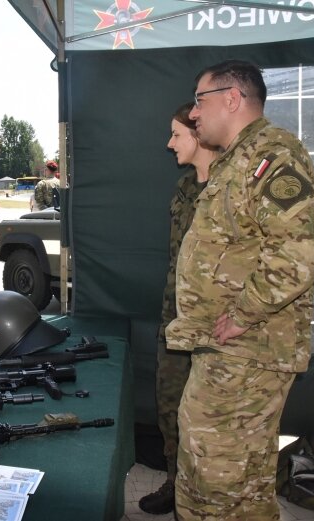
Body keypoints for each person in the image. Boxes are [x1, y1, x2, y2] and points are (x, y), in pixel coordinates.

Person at [166, 60, 314, 520]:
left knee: (217, 476)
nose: (194, 114)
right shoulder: (237, 159)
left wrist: (244, 313)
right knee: (238, 478)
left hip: (249, 351)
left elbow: (301, 245)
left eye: (200, 101)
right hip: (230, 349)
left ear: (232, 98)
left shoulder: (270, 157)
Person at [138, 103, 218, 515]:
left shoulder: (231, 188)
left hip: (216, 331)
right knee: (170, 403)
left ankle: (202, 492)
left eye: (176, 134)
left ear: (199, 135)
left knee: (209, 417)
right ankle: (174, 481)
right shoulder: (185, 188)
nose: (169, 144)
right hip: (175, 321)